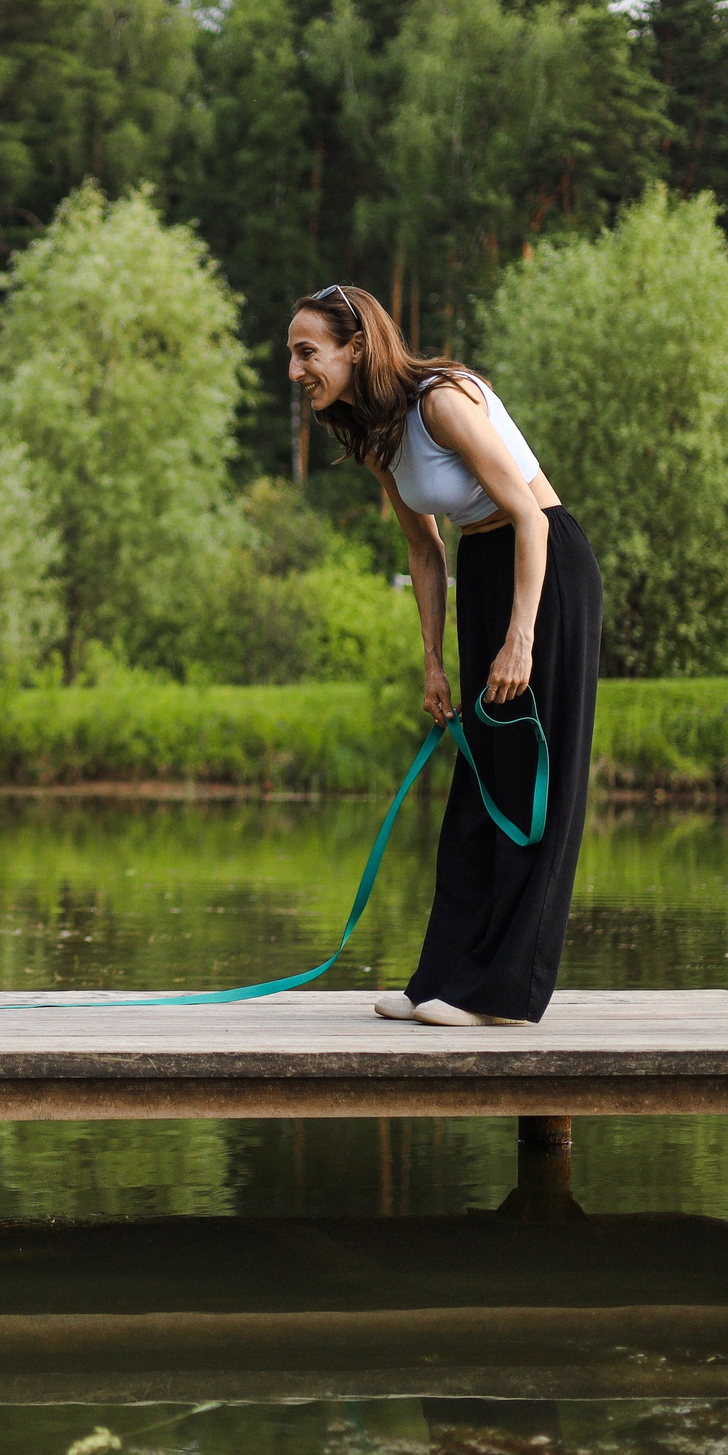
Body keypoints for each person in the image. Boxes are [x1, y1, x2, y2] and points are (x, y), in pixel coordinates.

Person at [286, 286, 602, 1027]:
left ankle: (507, 997)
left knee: (533, 787)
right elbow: (426, 550)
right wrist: (433, 659)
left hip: (545, 569)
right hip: (486, 568)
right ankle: (444, 977)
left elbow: (529, 514)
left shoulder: (440, 402)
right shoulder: (377, 434)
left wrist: (520, 635)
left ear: (355, 346)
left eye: (307, 351)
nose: (296, 368)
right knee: (478, 786)